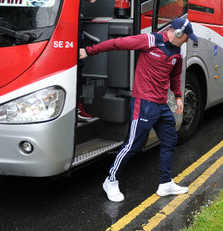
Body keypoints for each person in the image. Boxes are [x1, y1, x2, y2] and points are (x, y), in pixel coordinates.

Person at [79, 18, 198, 202]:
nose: (187, 41)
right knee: (133, 145)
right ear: (178, 33)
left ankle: (166, 183)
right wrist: (89, 51)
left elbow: (175, 75)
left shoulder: (177, 53)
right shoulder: (150, 40)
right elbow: (117, 44)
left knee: (170, 139)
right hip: (144, 103)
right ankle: (110, 180)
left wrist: (178, 96)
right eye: (186, 37)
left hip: (161, 104)